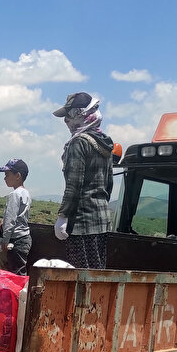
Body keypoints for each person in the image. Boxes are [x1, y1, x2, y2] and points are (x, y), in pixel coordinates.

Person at [53, 91, 115, 268]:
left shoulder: (78, 142)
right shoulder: (105, 143)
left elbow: (74, 184)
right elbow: (109, 184)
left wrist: (63, 216)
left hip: (82, 223)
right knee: (97, 273)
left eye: (69, 116)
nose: (66, 121)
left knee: (81, 276)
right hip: (102, 221)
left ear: (80, 114)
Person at [0, 158, 32, 276]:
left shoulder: (14, 195)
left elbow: (10, 219)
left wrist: (5, 240)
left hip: (15, 240)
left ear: (18, 176)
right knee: (19, 271)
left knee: (15, 275)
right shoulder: (26, 193)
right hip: (24, 238)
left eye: (7, 174)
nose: (4, 178)